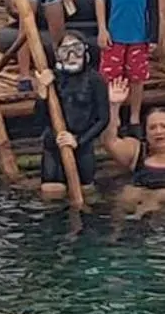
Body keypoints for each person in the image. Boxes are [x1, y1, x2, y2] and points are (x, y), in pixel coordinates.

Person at [94, 0, 159, 133]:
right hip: (114, 34)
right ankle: (112, 118)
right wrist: (102, 29)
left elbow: (152, 0)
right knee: (111, 76)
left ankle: (134, 118)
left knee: (137, 78)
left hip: (139, 34)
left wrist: (153, 34)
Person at [30, 31, 107, 201]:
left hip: (82, 146)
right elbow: (38, 120)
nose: (72, 56)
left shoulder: (95, 80)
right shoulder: (52, 79)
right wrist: (42, 93)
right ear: (58, 56)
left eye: (77, 49)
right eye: (65, 51)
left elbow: (103, 119)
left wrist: (78, 140)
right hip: (54, 145)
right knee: (51, 193)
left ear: (85, 51)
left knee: (86, 195)